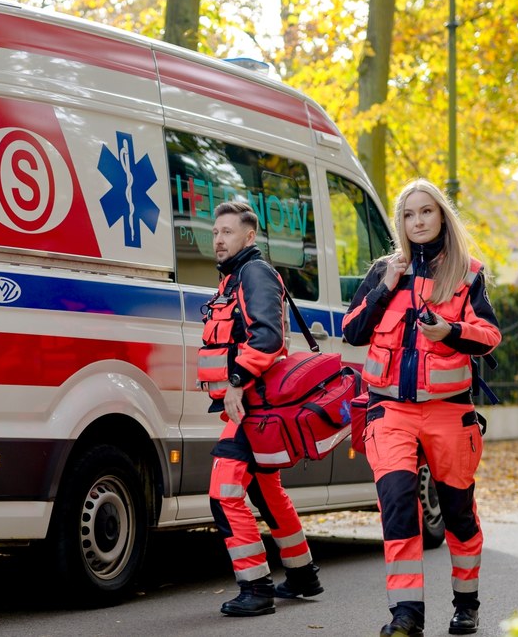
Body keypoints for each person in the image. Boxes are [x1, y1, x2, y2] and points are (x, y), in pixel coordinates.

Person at [341, 179, 500, 636]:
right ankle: (406, 615)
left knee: (457, 513)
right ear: (401, 222)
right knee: (396, 505)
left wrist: (448, 331)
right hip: (388, 411)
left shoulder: (467, 273)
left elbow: (490, 337)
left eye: (426, 212)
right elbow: (352, 330)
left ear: (441, 216)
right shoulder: (385, 270)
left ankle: (466, 603)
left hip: (450, 413)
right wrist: (385, 288)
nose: (418, 221)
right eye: (409, 215)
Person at [198, 200, 323, 617]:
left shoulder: (252, 273)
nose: (218, 239)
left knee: (224, 493)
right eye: (215, 232)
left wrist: (235, 381)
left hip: (253, 406)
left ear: (248, 237)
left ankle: (256, 588)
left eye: (227, 232)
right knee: (266, 490)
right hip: (249, 406)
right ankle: (303, 574)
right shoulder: (232, 278)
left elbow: (267, 338)